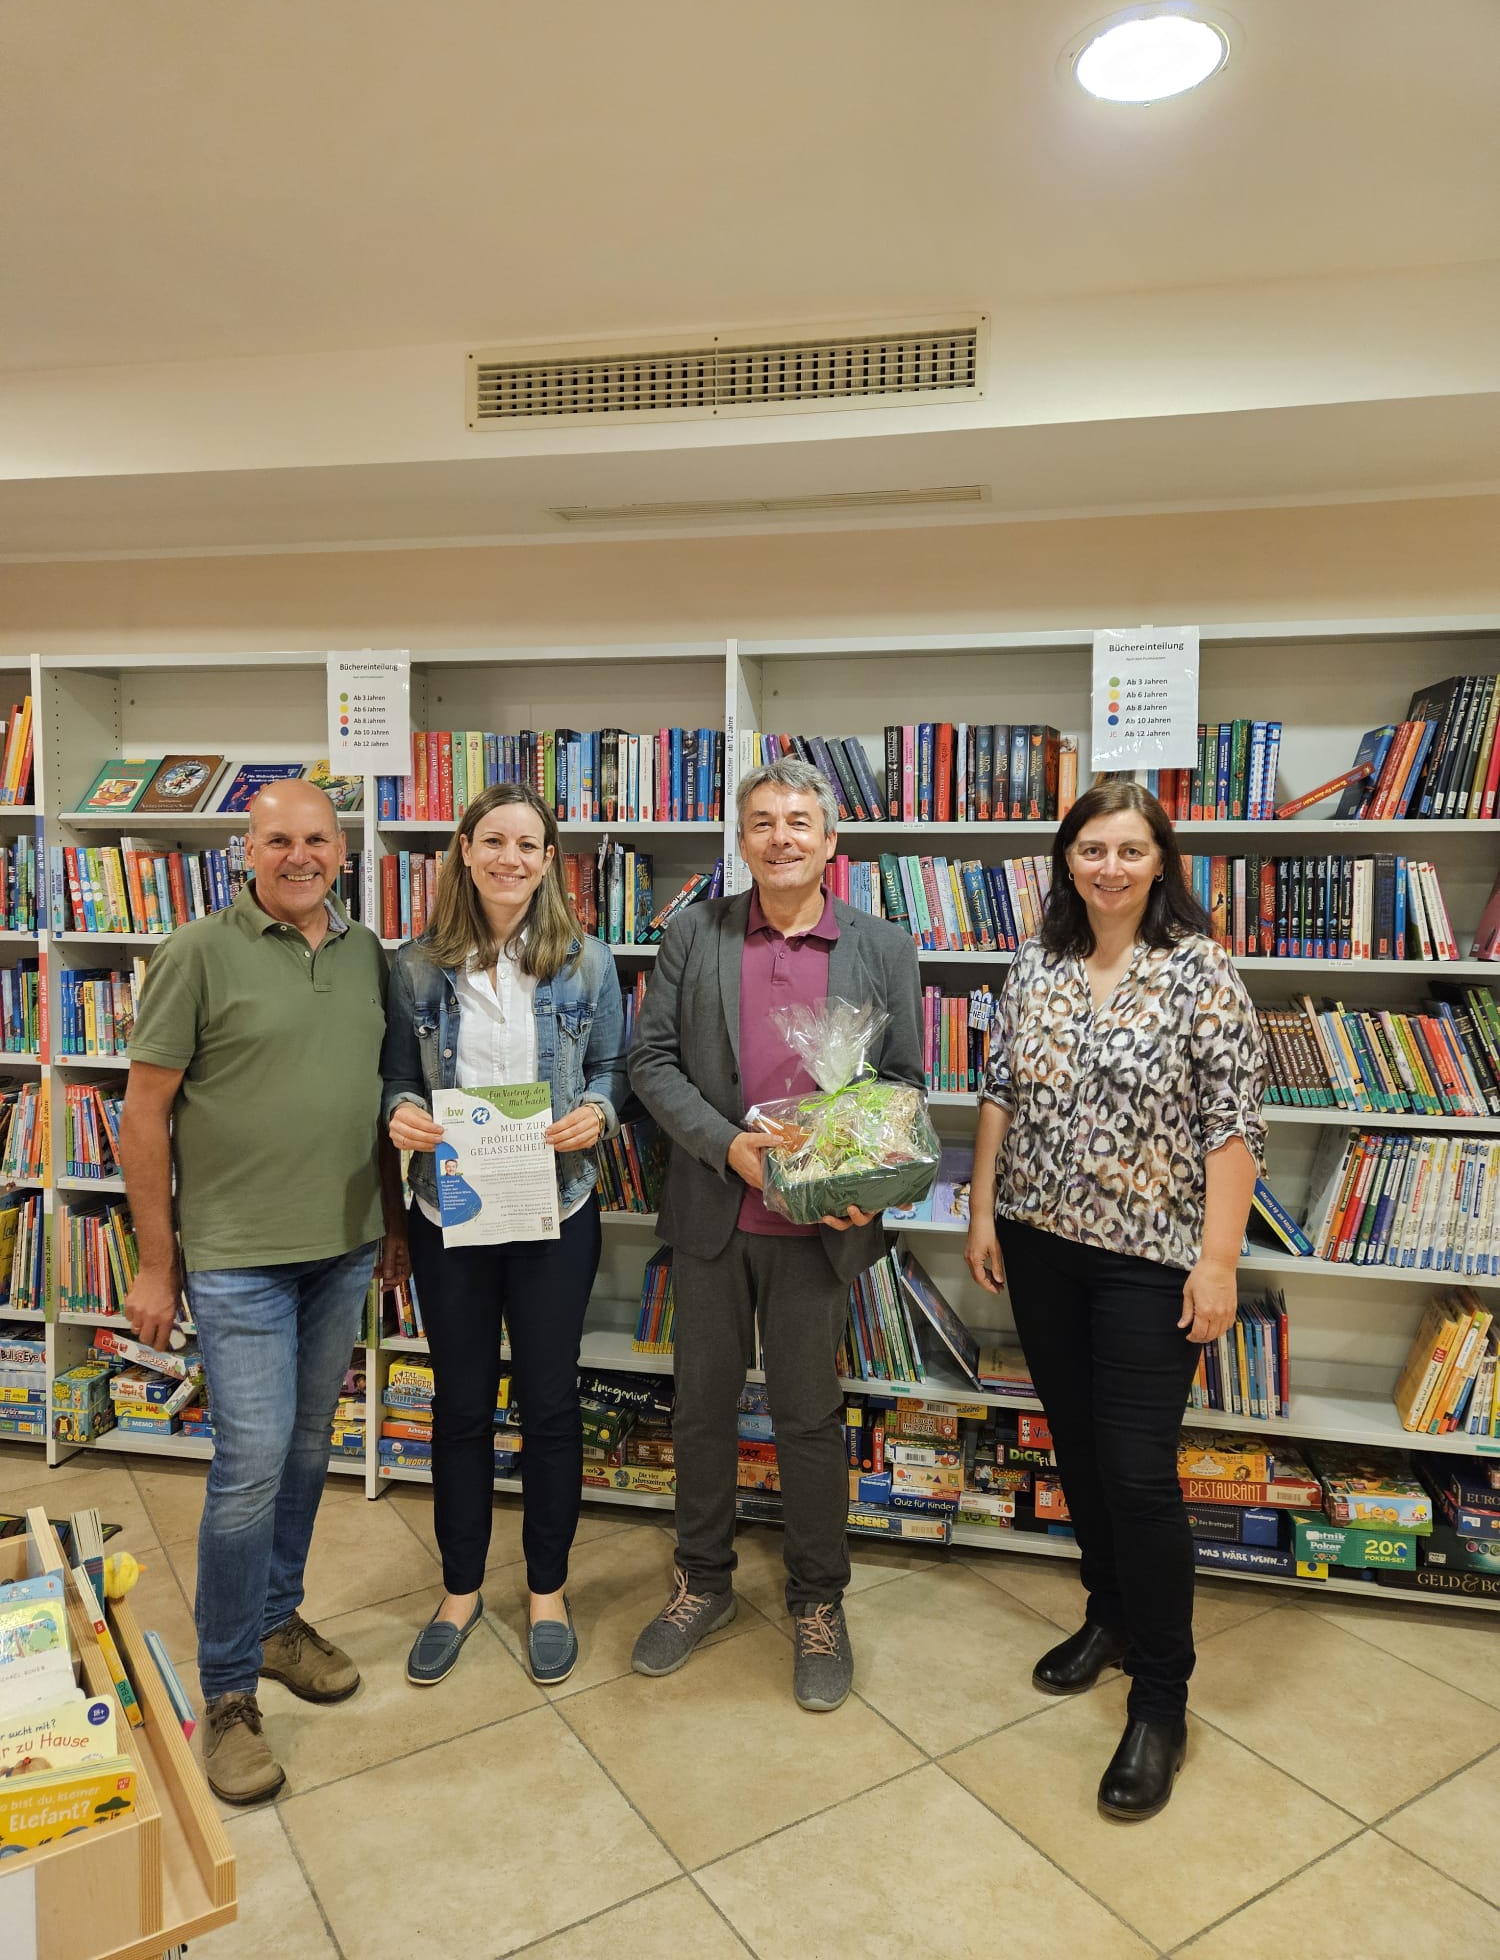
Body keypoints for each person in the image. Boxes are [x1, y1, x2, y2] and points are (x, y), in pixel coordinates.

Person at [964, 779, 1265, 1822]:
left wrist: (1218, 1260)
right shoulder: (1036, 961)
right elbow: (999, 1089)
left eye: (1131, 849)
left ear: (1160, 861)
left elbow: (1234, 1125)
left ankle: (1161, 1698)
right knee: (1080, 1449)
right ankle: (1109, 1615)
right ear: (1068, 858)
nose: (1110, 867)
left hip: (1150, 1257)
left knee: (1138, 1473)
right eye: (1093, 848)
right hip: (1040, 1243)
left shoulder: (1201, 969)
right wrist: (983, 1210)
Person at [121, 780, 407, 1807]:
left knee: (308, 1447)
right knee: (248, 1466)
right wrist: (157, 1263)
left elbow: (376, 1100)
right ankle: (230, 1691)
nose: (300, 855)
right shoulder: (198, 951)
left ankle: (280, 1621)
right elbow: (143, 1114)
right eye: (278, 838)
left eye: (317, 838)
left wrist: (393, 1223)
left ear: (343, 850)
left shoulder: (370, 954)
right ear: (246, 850)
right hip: (237, 1256)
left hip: (343, 1248)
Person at [629, 757, 923, 1711]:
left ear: (830, 840)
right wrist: (731, 1150)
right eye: (762, 822)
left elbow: (903, 1084)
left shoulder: (882, 944)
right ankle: (702, 1583)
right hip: (716, 1214)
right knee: (701, 1409)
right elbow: (651, 1062)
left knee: (807, 1417)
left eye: (800, 821)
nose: (782, 837)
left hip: (820, 1230)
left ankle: (818, 1601)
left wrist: (862, 1180)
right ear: (742, 840)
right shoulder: (694, 933)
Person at [380, 782, 628, 1689]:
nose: (510, 859)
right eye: (493, 842)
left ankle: (548, 1592)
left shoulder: (587, 963)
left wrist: (598, 1110)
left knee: (552, 1403)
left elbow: (612, 1068)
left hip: (555, 1208)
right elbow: (394, 1078)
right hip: (450, 1212)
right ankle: (460, 1591)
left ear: (549, 860)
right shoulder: (415, 967)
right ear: (464, 849)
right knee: (461, 1405)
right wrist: (400, 1113)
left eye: (528, 845)